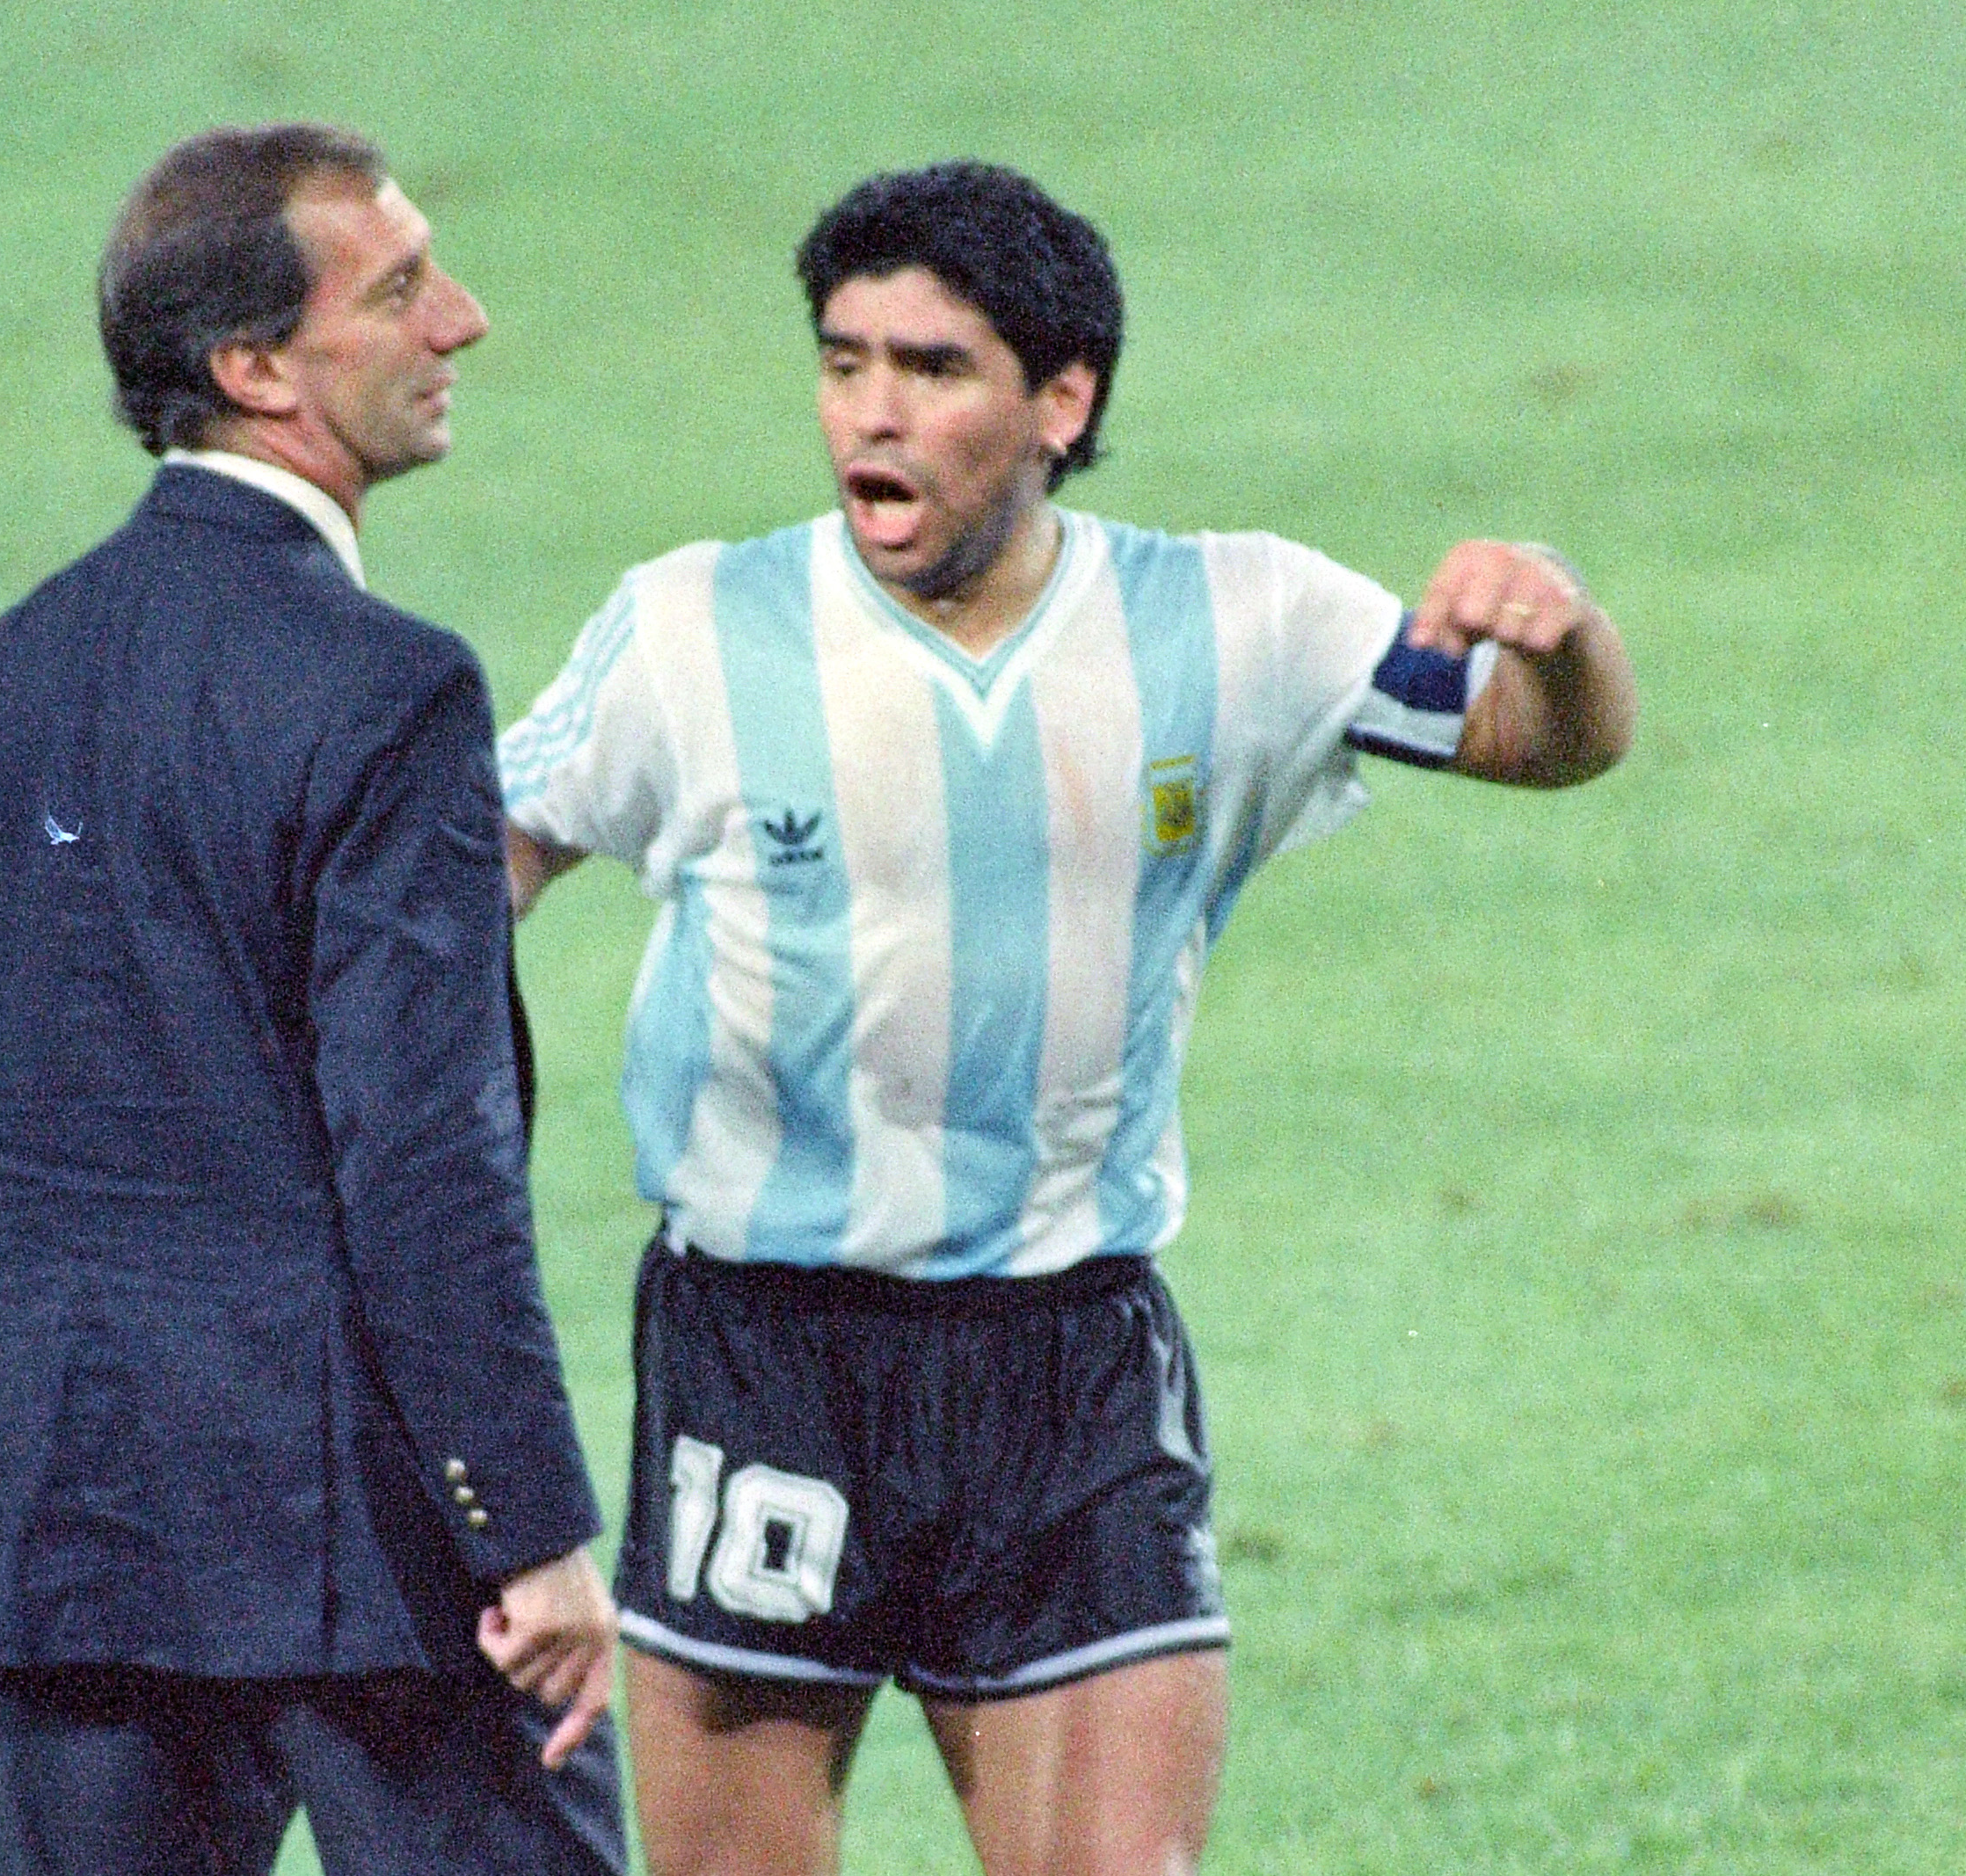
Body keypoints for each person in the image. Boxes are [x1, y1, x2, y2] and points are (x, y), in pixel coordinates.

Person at [499, 161, 1636, 1876]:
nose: (868, 413)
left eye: (931, 368)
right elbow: (454, 889)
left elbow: (1545, 739)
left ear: (1060, 398)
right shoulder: (690, 629)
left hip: (1064, 1369)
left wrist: (1558, 622)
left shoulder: (1235, 620)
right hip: (760, 1358)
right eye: (841, 359)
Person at [0, 123, 623, 1876]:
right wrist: (524, 1529)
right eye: (396, 292)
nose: (456, 321)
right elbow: (423, 1157)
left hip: (69, 1516)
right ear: (251, 369)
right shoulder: (385, 690)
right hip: (358, 1539)